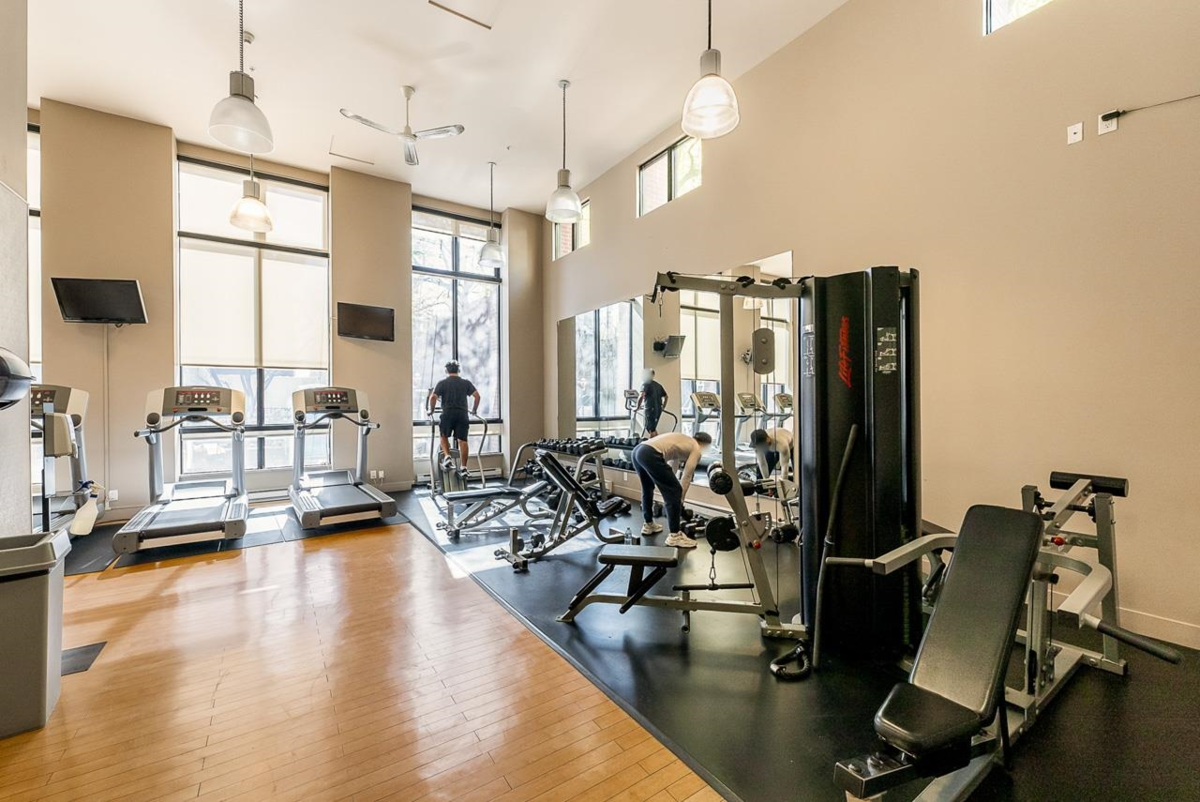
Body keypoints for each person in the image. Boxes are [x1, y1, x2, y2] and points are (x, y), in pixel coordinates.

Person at [630, 431, 712, 548]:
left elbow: (672, 465)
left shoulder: (683, 441)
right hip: (649, 453)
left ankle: (648, 525)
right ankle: (675, 536)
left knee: (647, 487)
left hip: (638, 450)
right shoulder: (696, 448)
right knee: (675, 490)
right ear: (704, 444)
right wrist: (679, 498)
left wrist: (670, 488)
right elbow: (687, 476)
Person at [427, 360, 481, 470]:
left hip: (448, 413)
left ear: (446, 370)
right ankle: (464, 467)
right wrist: (474, 410)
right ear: (459, 370)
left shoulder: (442, 383)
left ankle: (447, 457)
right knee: (463, 440)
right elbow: (477, 396)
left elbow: (433, 398)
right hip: (462, 414)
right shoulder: (466, 383)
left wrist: (431, 411)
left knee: (443, 436)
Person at [636, 369, 669, 437]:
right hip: (658, 409)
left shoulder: (645, 384)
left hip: (650, 409)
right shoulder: (658, 385)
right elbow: (666, 396)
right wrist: (663, 407)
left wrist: (637, 407)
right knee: (653, 428)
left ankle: (652, 446)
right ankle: (657, 444)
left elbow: (641, 396)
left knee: (650, 429)